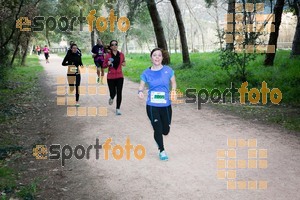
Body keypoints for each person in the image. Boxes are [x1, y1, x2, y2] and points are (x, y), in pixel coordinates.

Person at [138, 48, 177, 161]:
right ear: (151, 58)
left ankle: (160, 133)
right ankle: (162, 150)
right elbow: (141, 86)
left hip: (165, 105)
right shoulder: (146, 73)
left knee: (165, 131)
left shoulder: (168, 70)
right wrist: (140, 91)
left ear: (162, 58)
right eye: (154, 55)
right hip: (152, 105)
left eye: (159, 55)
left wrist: (173, 90)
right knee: (158, 129)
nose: (157, 57)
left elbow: (173, 82)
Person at [103, 40, 126, 115]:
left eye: (116, 44)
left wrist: (124, 63)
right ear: (110, 47)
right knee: (113, 92)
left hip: (119, 76)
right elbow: (103, 66)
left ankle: (118, 109)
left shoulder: (121, 54)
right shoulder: (108, 56)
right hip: (111, 77)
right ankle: (112, 97)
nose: (114, 46)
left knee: (119, 92)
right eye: (112, 45)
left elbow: (123, 62)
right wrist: (107, 64)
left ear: (117, 45)